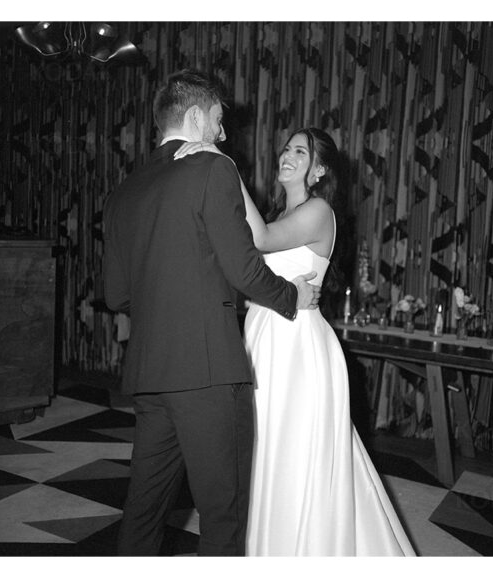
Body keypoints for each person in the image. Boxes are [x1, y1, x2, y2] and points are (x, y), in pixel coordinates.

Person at [102, 69, 321, 557]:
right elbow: (244, 269)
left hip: (149, 374)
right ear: (197, 116)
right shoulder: (213, 169)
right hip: (208, 376)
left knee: (143, 511)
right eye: (219, 121)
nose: (223, 134)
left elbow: (116, 294)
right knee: (223, 516)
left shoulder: (124, 191)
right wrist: (292, 298)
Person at [175, 127, 415, 556]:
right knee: (260, 446)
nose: (287, 155)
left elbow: (259, 242)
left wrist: (225, 165)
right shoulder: (274, 215)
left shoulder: (319, 210)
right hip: (262, 337)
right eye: (286, 148)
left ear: (319, 169)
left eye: (300, 152)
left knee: (292, 451)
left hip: (297, 348)